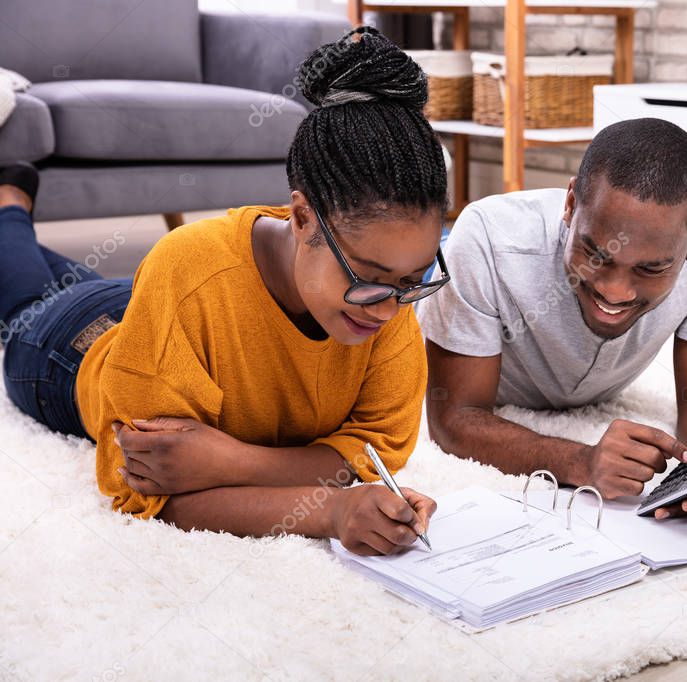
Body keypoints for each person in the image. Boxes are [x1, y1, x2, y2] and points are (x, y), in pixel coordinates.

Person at [0, 27, 447, 556]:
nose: (391, 308)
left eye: (412, 281)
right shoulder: (187, 267)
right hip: (71, 351)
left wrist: (234, 461)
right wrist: (328, 509)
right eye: (370, 278)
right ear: (302, 217)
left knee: (77, 281)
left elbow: (370, 455)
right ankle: (11, 206)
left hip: (155, 315)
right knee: (29, 302)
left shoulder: (384, 295)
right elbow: (152, 490)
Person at [418, 118, 687, 520]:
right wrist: (580, 461)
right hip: (439, 274)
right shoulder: (487, 240)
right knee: (424, 262)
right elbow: (452, 420)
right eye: (596, 255)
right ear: (570, 204)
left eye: (649, 270)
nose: (615, 292)